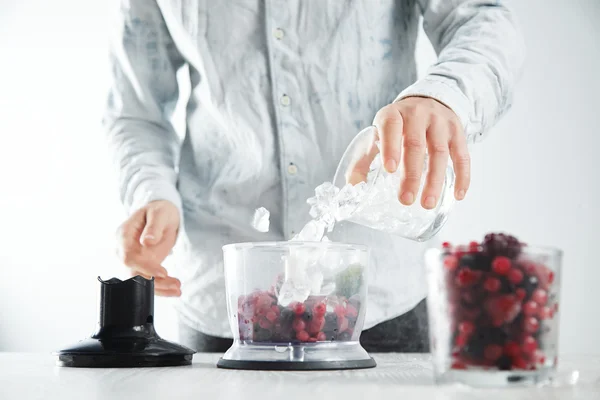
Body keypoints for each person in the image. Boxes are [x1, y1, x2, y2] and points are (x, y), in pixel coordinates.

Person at [103, 0, 525, 353]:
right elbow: (135, 111)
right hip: (223, 297)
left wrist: (443, 94)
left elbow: (485, 18)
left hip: (379, 294)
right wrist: (151, 193)